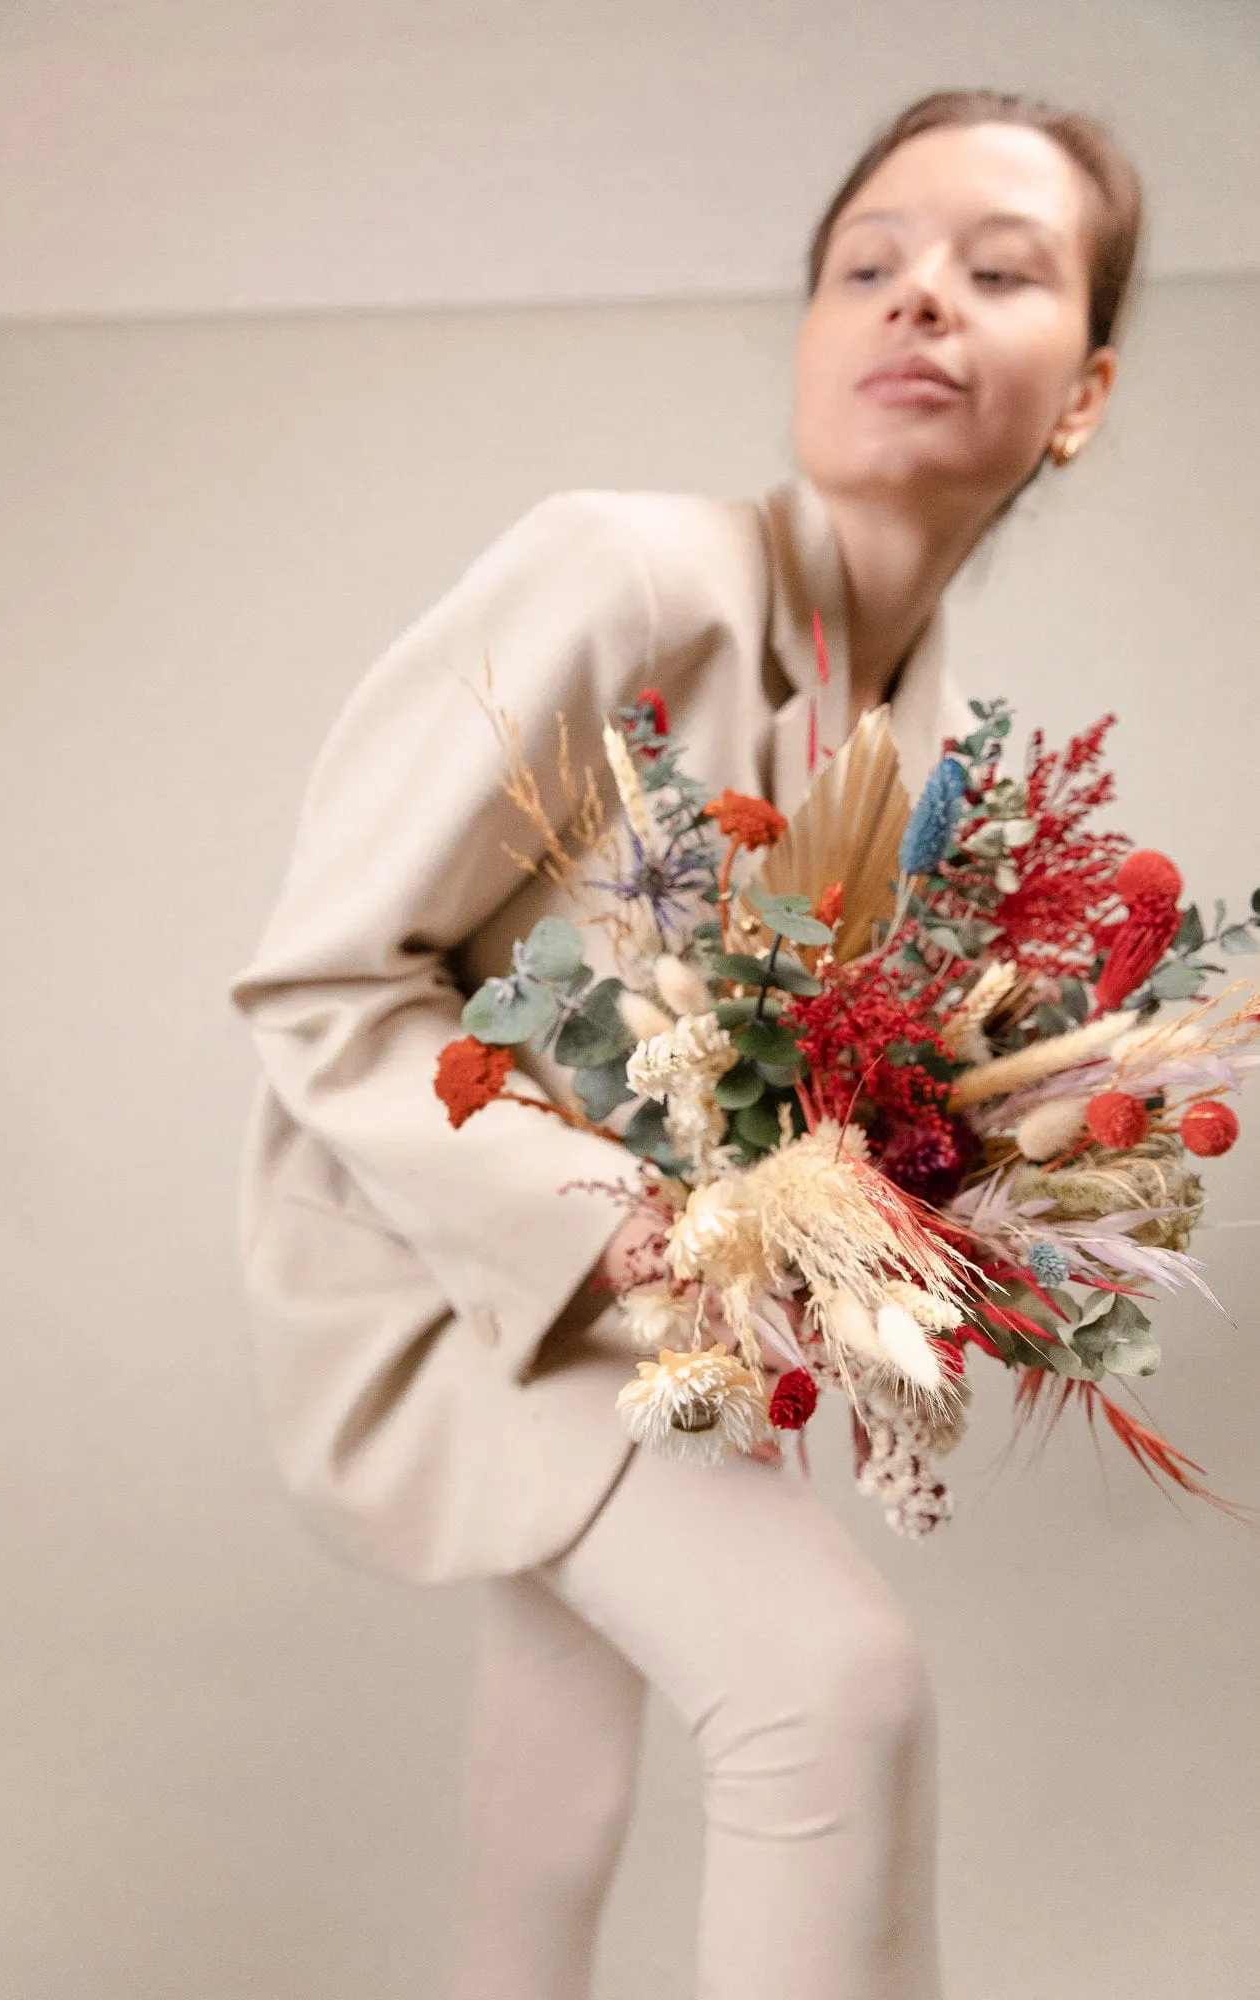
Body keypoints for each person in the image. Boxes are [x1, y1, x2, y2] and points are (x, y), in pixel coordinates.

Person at [226, 86, 1143, 2000]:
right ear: (808, 336)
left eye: (1000, 271)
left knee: (557, 1781)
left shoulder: (939, 748)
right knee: (829, 1690)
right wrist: (618, 1221)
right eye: (865, 266)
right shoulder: (626, 576)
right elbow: (327, 976)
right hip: (444, 1263)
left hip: (681, 1317)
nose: (918, 303)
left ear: (1082, 396)